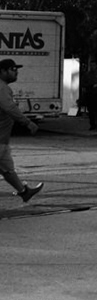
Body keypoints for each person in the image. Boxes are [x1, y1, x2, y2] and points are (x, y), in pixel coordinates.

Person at [0, 59, 44, 203]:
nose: (16, 72)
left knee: (7, 169)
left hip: (3, 140)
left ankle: (24, 192)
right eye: (13, 69)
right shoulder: (2, 88)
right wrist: (28, 123)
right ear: (3, 71)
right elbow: (9, 108)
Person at [80, 60, 97, 132]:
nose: (92, 67)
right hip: (90, 94)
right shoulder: (87, 74)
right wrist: (87, 87)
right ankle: (92, 125)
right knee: (91, 111)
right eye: (91, 65)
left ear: (96, 66)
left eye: (94, 65)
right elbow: (83, 83)